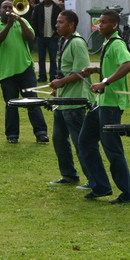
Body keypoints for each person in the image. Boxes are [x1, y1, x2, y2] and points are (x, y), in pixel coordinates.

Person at [78, 9, 130, 204]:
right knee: (85, 141)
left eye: (103, 22)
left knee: (112, 149)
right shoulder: (108, 43)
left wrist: (105, 82)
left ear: (113, 25)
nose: (99, 25)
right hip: (101, 102)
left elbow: (128, 64)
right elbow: (113, 66)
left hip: (111, 104)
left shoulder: (118, 43)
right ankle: (101, 186)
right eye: (99, 22)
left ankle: (128, 193)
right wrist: (95, 70)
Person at [0, 0, 49, 144]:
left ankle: (41, 133)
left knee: (33, 101)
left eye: (10, 7)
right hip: (7, 71)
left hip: (25, 68)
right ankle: (12, 135)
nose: (8, 9)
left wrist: (20, 21)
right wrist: (8, 25)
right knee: (11, 104)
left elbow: (31, 38)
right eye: (5, 7)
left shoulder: (22, 22)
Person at [47, 10, 94, 185]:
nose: (56, 25)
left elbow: (83, 73)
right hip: (62, 101)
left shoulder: (77, 43)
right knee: (59, 139)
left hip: (75, 101)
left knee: (80, 142)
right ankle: (69, 175)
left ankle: (93, 179)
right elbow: (66, 70)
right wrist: (58, 86)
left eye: (60, 22)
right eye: (57, 22)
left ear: (71, 25)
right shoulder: (64, 41)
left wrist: (61, 83)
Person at [31, 0, 62, 82]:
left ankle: (53, 76)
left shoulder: (57, 8)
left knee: (53, 58)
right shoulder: (38, 7)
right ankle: (42, 76)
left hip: (52, 37)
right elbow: (33, 20)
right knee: (41, 58)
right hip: (41, 36)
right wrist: (36, 33)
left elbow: (61, 21)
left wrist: (57, 34)